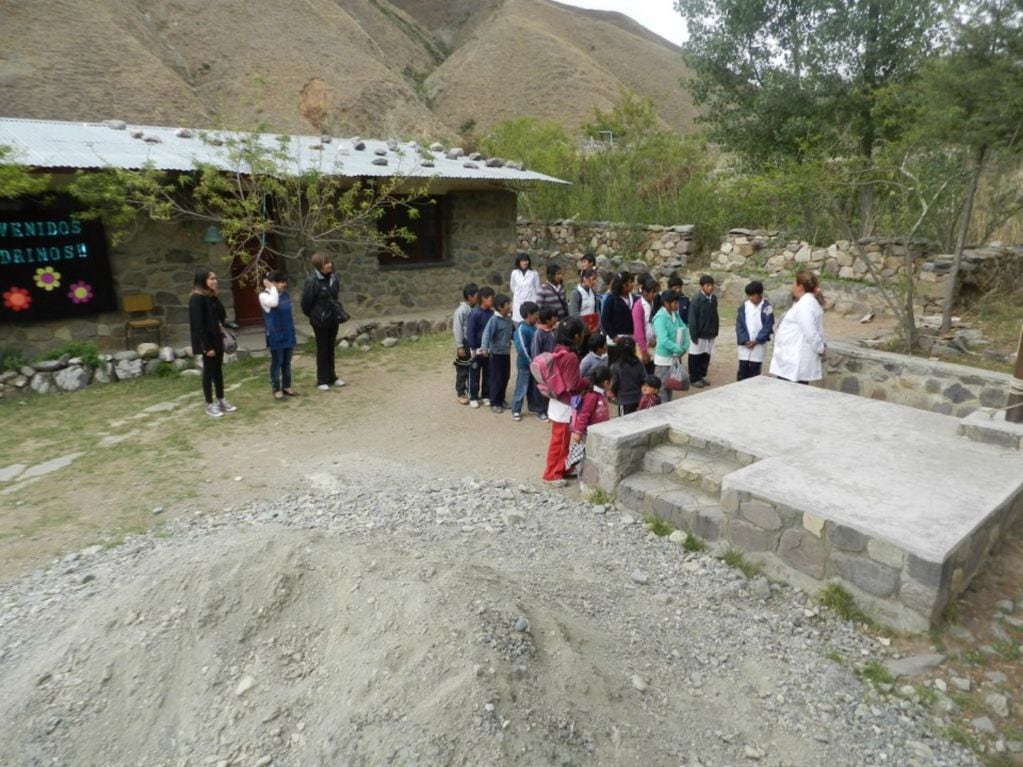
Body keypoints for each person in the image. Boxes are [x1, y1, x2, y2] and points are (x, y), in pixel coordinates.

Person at [542, 317, 587, 487]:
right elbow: (573, 384)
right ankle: (552, 473)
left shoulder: (558, 349)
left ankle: (563, 467)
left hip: (557, 401)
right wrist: (587, 382)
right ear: (576, 336)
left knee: (562, 440)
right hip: (565, 405)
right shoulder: (571, 357)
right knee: (560, 441)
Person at [188, 267, 237, 418]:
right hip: (207, 342)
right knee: (208, 373)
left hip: (217, 338)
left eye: (215, 278)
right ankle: (209, 404)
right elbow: (198, 325)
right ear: (203, 281)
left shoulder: (210, 297)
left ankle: (221, 400)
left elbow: (220, 316)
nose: (215, 281)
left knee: (218, 371)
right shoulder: (196, 299)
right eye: (211, 279)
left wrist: (214, 297)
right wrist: (206, 346)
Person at [769, 270, 827, 384]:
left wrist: (820, 348)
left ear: (800, 286)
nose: (792, 287)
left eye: (794, 283)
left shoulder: (804, 305)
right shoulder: (804, 303)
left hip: (794, 359)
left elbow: (811, 332)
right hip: (790, 358)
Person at [300, 252, 346, 391]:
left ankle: (332, 377)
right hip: (319, 322)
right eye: (325, 263)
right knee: (322, 349)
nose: (329, 265)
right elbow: (306, 304)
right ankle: (322, 380)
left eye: (329, 262)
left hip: (333, 319)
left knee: (331, 348)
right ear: (319, 266)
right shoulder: (312, 281)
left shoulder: (333, 278)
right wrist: (316, 316)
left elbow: (334, 297)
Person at [566, 363, 612, 475]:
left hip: (597, 430)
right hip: (590, 433)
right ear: (606, 382)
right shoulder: (592, 396)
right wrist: (578, 432)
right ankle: (584, 479)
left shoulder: (599, 394)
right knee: (587, 457)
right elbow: (584, 414)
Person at [260, 270, 298, 401]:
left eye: (284, 281)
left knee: (286, 362)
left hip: (288, 333)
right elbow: (274, 303)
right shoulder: (264, 296)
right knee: (277, 362)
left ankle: (286, 386)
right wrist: (271, 288)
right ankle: (276, 388)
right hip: (275, 335)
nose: (284, 284)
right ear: (272, 283)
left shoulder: (285, 295)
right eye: (281, 282)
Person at [653, 289, 691, 402]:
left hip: (674, 358)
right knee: (662, 390)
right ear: (666, 303)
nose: (677, 305)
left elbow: (684, 329)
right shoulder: (660, 318)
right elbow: (663, 339)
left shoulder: (675, 315)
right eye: (674, 302)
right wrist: (678, 349)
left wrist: (685, 346)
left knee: (670, 387)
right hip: (663, 359)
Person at [480, 293, 515, 414]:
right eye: (507, 304)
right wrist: (484, 348)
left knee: (505, 376)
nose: (510, 306)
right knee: (497, 379)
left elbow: (514, 333)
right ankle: (495, 402)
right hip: (496, 355)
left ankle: (501, 399)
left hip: (506, 353)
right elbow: (486, 334)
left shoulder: (508, 319)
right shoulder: (494, 320)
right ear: (500, 307)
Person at [736, 280, 775, 381]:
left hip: (758, 345)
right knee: (742, 370)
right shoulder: (744, 307)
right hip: (745, 344)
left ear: (760, 294)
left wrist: (757, 340)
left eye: (753, 295)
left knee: (755, 371)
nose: (751, 298)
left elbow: (767, 326)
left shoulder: (767, 308)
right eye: (749, 295)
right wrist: (744, 340)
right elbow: (739, 325)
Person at [511, 301, 544, 422]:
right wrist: (531, 362)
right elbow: (522, 349)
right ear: (529, 314)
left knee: (534, 388)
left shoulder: (534, 328)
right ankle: (516, 409)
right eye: (536, 314)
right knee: (522, 387)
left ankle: (535, 407)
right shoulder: (521, 329)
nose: (537, 316)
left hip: (533, 365)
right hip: (525, 365)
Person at [687, 274, 719, 388]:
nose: (710, 287)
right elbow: (692, 319)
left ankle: (700, 376)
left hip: (709, 334)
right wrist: (693, 335)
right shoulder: (696, 300)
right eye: (707, 285)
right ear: (702, 286)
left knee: (705, 355)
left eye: (712, 285)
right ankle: (694, 378)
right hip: (699, 334)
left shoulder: (713, 299)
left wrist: (715, 330)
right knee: (696, 356)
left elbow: (715, 316)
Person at [466, 286, 495, 408]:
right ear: (483, 299)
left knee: (488, 372)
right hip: (476, 350)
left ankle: (486, 395)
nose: (492, 301)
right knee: (475, 373)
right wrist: (473, 348)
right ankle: (473, 396)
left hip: (488, 350)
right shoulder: (474, 314)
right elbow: (470, 332)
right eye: (490, 298)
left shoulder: (492, 314)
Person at [600, 271, 635, 363]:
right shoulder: (611, 299)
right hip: (616, 341)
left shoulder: (634, 298)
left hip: (631, 340)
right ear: (624, 285)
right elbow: (605, 320)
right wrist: (614, 336)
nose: (633, 284)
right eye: (630, 282)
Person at [452, 283, 479, 405]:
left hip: (473, 343)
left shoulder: (475, 309)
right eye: (476, 296)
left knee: (473, 368)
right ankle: (461, 392)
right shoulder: (461, 311)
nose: (478, 298)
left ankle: (471, 391)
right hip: (464, 343)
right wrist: (459, 346)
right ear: (469, 297)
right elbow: (457, 329)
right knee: (462, 369)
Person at [530, 307, 558, 422]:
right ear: (547, 320)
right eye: (554, 317)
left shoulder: (553, 331)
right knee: (540, 388)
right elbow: (535, 352)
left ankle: (549, 409)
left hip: (553, 365)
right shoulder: (539, 334)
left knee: (550, 387)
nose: (556, 319)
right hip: (542, 366)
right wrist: (538, 366)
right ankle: (541, 410)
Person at [610, 336, 645, 415]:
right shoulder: (638, 364)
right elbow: (644, 380)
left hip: (623, 400)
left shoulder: (615, 366)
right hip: (638, 398)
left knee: (624, 423)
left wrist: (613, 394)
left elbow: (614, 384)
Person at [632, 275, 660, 372]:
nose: (655, 294)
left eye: (656, 292)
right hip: (642, 345)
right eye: (653, 292)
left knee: (651, 370)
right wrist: (643, 351)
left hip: (652, 343)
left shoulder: (653, 303)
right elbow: (638, 330)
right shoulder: (639, 307)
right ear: (645, 292)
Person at [509, 252, 540, 326]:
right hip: (518, 302)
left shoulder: (534, 273)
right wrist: (519, 294)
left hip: (531, 301)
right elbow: (512, 287)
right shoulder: (514, 273)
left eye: (526, 261)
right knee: (518, 324)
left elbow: (537, 288)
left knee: (531, 324)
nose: (525, 263)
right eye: (522, 261)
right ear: (519, 262)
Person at [569, 267, 600, 333]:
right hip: (581, 330)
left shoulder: (593, 292)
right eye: (593, 279)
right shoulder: (576, 293)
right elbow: (574, 314)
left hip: (593, 328)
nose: (595, 282)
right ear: (585, 279)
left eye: (595, 279)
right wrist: (585, 327)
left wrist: (597, 326)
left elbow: (597, 310)